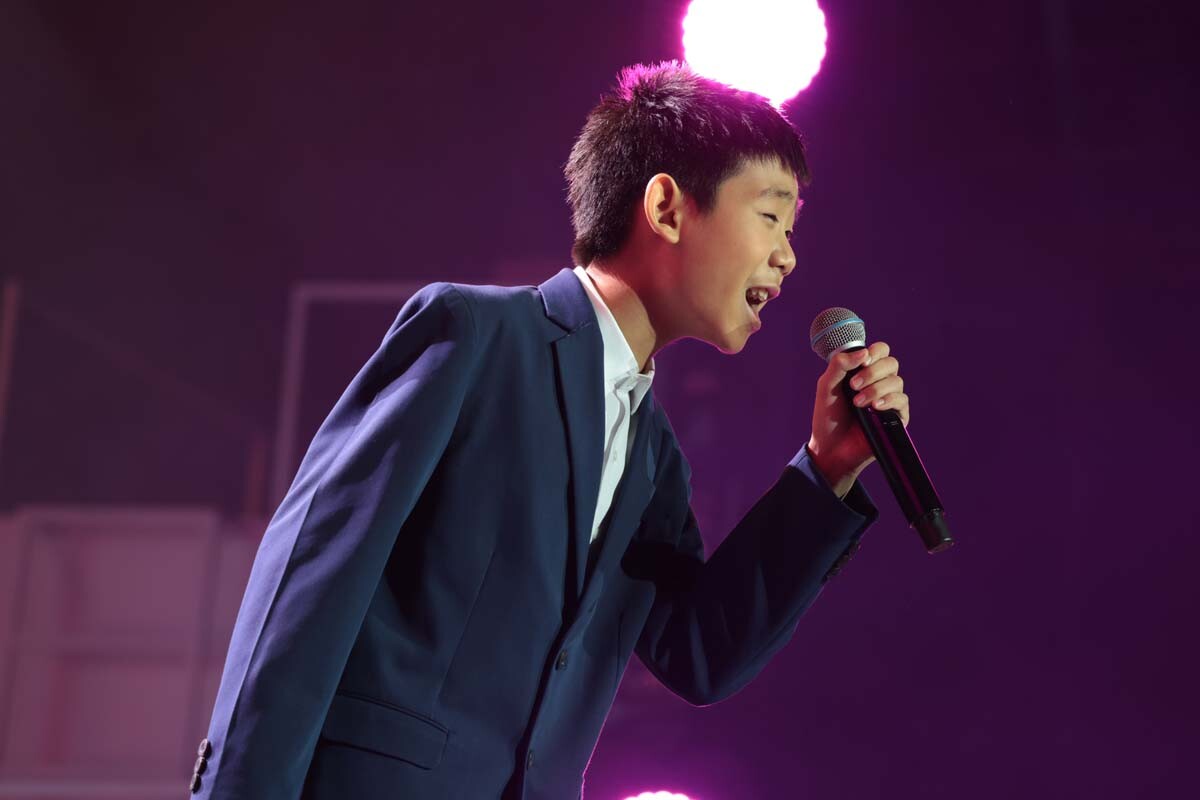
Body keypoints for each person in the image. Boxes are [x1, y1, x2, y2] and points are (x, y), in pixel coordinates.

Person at [189, 61, 910, 800]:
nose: (788, 255)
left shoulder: (654, 458)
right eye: (771, 216)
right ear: (666, 207)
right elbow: (312, 578)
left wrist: (826, 469)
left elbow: (699, 653)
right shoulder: (476, 337)